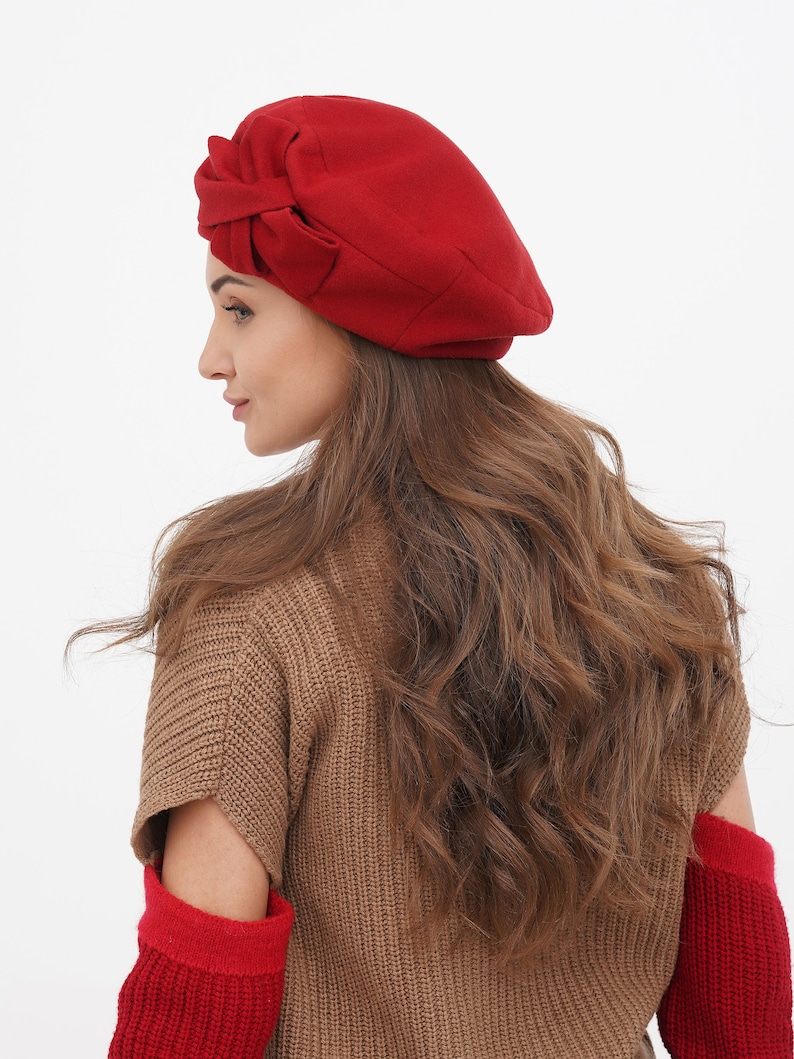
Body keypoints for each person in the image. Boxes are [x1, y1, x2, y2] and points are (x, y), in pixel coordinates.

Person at [92, 96, 791, 1057]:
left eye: (239, 308)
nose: (212, 357)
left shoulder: (249, 604)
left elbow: (196, 1007)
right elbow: (739, 1004)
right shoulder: (653, 588)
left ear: (356, 315)